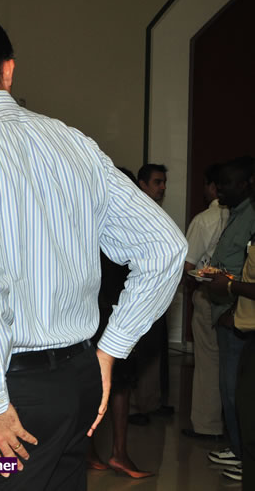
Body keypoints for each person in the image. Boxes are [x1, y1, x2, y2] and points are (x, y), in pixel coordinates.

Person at [0, 12, 187, 490]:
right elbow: (166, 247)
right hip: (74, 382)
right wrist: (110, 350)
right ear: (9, 69)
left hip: (5, 390)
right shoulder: (73, 142)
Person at [86, 167, 154, 479]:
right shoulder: (93, 223)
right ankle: (103, 452)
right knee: (104, 383)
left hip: (112, 312)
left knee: (119, 383)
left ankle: (114, 453)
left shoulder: (107, 224)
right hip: (95, 312)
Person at [205, 156, 255, 480]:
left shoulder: (250, 215)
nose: (220, 188)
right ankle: (238, 449)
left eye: (228, 182)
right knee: (230, 390)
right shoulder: (234, 215)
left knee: (239, 393)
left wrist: (232, 295)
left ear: (245, 184)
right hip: (229, 311)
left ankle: (243, 455)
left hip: (239, 315)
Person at [182, 163, 228, 440]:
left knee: (208, 361)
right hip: (235, 295)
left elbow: (188, 265)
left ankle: (207, 425)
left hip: (209, 293)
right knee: (230, 360)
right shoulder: (242, 215)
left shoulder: (204, 220)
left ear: (212, 186)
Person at [129, 162, 173, 424]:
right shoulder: (133, 213)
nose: (163, 187)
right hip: (138, 293)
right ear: (142, 184)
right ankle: (135, 407)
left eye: (164, 182)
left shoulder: (155, 212)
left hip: (157, 292)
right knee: (137, 350)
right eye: (157, 182)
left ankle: (150, 402)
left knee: (153, 350)